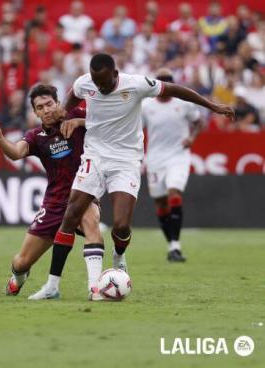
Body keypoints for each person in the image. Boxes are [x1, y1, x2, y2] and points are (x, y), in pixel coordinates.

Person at [40, 53, 234, 299]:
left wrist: (213, 106)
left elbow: (175, 89)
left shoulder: (136, 84)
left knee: (121, 225)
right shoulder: (85, 82)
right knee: (70, 216)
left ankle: (119, 256)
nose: (100, 88)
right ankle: (52, 285)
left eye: (105, 83)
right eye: (96, 83)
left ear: (115, 74)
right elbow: (72, 98)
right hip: (95, 156)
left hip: (126, 160)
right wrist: (64, 117)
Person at [0, 84, 104, 301]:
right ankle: (18, 278)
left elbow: (106, 123)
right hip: (54, 203)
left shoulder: (76, 114)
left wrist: (78, 122)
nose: (46, 110)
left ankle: (95, 289)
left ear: (58, 103)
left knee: (91, 220)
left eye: (49, 104)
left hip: (84, 192)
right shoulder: (36, 136)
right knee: (22, 261)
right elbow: (17, 153)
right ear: (35, 112)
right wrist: (0, 140)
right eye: (40, 107)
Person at [141, 69, 204, 262]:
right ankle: (171, 246)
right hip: (155, 158)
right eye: (162, 81)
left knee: (174, 193)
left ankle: (175, 245)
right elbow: (137, 129)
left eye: (169, 81)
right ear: (157, 84)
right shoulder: (145, 106)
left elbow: (199, 122)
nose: (166, 84)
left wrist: (192, 138)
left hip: (178, 155)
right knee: (160, 202)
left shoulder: (184, 104)